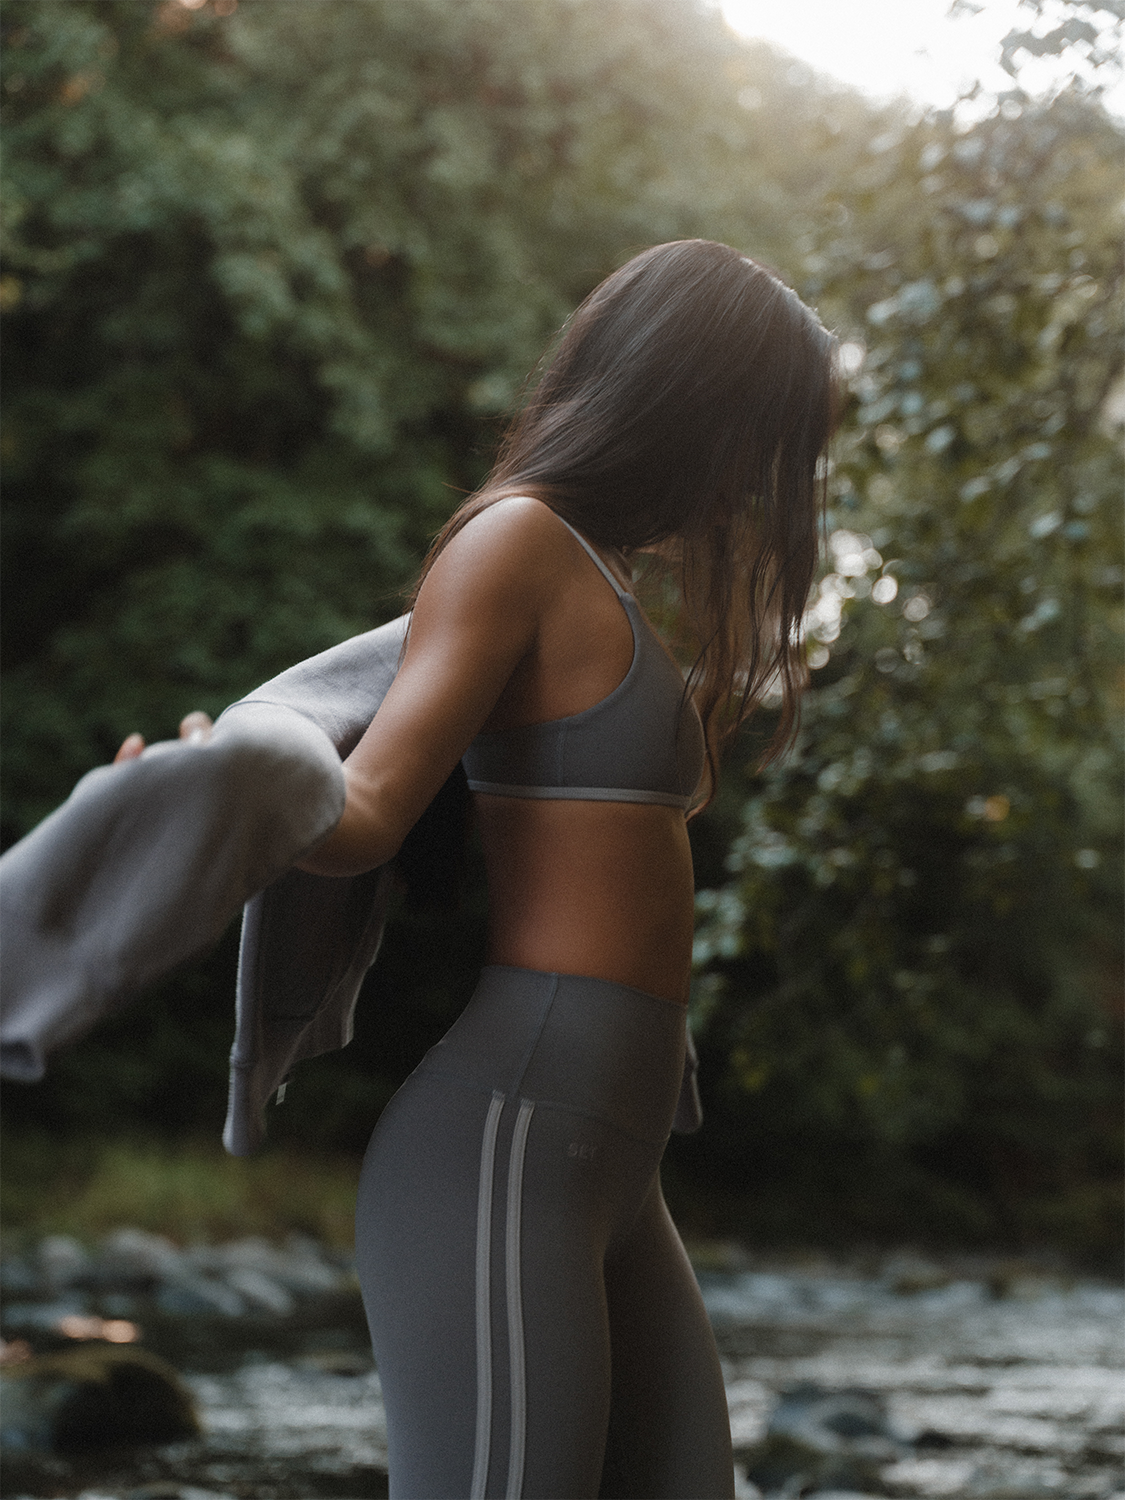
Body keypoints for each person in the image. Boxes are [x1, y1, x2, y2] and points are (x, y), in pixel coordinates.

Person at [123, 238, 839, 1499]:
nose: (749, 487)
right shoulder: (516, 543)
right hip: (511, 1134)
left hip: (609, 1162)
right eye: (751, 445)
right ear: (681, 404)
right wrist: (226, 789)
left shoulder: (597, 578)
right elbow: (371, 808)